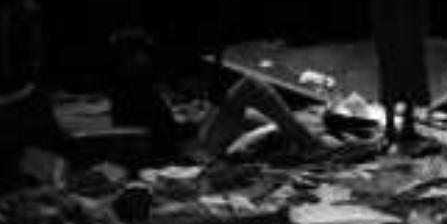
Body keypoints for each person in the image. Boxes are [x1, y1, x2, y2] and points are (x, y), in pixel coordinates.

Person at [108, 27, 322, 159]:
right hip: (191, 151)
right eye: (141, 53)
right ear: (129, 56)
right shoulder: (135, 87)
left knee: (248, 114)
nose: (146, 58)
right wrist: (192, 122)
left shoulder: (129, 84)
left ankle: (294, 135)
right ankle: (309, 143)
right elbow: (160, 136)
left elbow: (155, 123)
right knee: (252, 85)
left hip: (186, 140)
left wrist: (191, 115)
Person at [371, 0, 431, 147]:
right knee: (390, 79)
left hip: (410, 34)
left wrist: (422, 32)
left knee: (411, 79)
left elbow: (423, 7)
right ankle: (389, 125)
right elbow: (376, 10)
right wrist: (379, 37)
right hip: (390, 35)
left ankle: (408, 123)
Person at [0, 0, 48, 93]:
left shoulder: (34, 8)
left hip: (30, 63)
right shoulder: (8, 11)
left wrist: (38, 59)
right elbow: (4, 40)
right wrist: (6, 66)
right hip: (17, 65)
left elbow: (38, 38)